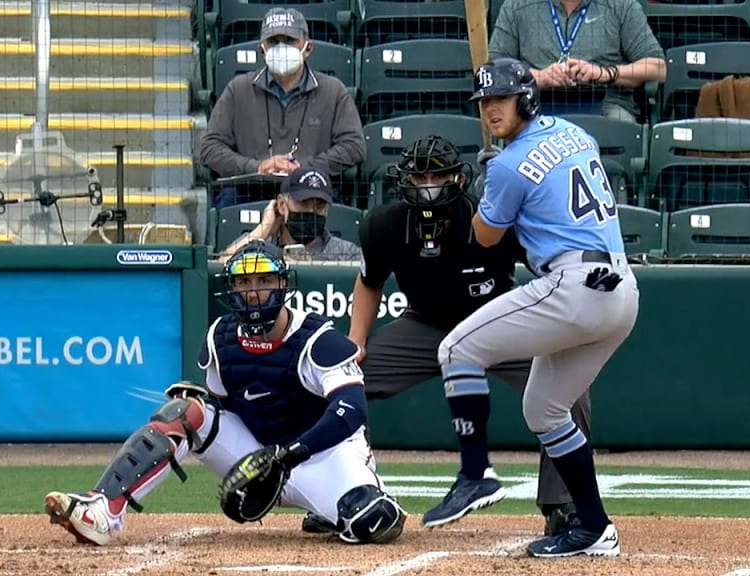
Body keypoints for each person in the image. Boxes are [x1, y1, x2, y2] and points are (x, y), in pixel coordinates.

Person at [310, 134, 592, 537]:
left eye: (437, 175)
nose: (428, 185)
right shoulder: (383, 224)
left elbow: (547, 267)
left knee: (570, 388)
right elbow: (369, 282)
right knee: (342, 379)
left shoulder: (492, 219)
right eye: (420, 176)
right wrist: (357, 342)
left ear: (458, 180)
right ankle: (342, 495)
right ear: (403, 179)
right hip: (426, 325)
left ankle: (565, 506)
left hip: (499, 324)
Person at [43, 241, 405, 547]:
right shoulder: (221, 337)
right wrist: (204, 408)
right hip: (260, 459)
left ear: (282, 284)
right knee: (184, 412)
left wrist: (291, 454)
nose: (253, 291)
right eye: (244, 281)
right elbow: (223, 407)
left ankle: (334, 509)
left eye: (263, 280)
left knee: (374, 520)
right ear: (231, 288)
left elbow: (351, 409)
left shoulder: (319, 340)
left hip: (318, 457)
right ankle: (103, 509)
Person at [419, 58, 639, 559]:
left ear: (526, 98)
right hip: (621, 292)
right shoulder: (574, 133)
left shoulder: (508, 165)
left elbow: (484, 238)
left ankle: (475, 476)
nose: (492, 108)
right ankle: (594, 527)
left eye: (501, 98)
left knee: (455, 350)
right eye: (485, 102)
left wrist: (483, 190)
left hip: (575, 285)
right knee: (543, 409)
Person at [199, 7, 365, 208]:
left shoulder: (333, 91)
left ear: (308, 48)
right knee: (228, 204)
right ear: (262, 49)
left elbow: (354, 146)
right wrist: (257, 167)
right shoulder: (238, 89)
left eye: (289, 40)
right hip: (250, 190)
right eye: (273, 41)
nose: (281, 47)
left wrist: (305, 169)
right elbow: (209, 148)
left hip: (311, 189)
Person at [488, 0, 666, 122]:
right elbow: (492, 70)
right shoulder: (517, 5)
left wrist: (604, 73)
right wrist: (537, 77)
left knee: (621, 126)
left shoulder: (621, 5)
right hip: (535, 103)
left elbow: (658, 68)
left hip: (606, 103)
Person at [217, 166, 362, 262]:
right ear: (281, 205)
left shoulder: (347, 253)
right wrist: (262, 230)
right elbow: (221, 266)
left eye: (319, 206)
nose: (311, 211)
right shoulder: (259, 245)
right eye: (303, 203)